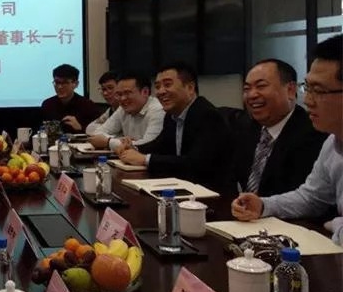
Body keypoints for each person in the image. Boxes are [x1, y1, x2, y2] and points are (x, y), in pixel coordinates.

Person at [232, 35, 343, 245]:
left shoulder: (312, 135)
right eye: (307, 88)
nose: (308, 101)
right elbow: (311, 198)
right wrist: (263, 205)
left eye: (318, 90)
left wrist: (337, 225)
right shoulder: (332, 143)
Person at [117, 63, 233, 193]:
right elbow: (159, 145)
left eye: (167, 85)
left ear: (190, 88)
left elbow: (195, 164)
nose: (160, 92)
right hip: (182, 188)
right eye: (157, 87)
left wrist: (145, 159)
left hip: (211, 195)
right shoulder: (171, 115)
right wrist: (134, 148)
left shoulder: (207, 115)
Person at [233, 59, 326, 196]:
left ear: (290, 90)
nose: (252, 95)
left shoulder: (314, 133)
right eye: (247, 89)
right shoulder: (245, 127)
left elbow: (305, 199)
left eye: (261, 86)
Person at [86, 71, 164, 151]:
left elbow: (147, 146)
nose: (122, 98)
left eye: (127, 93)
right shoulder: (123, 109)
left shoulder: (158, 111)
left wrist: (109, 142)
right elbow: (97, 133)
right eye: (119, 94)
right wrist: (119, 139)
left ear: (145, 92)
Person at [41, 64, 104, 133]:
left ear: (76, 84)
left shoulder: (88, 106)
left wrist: (80, 128)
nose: (59, 87)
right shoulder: (48, 105)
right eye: (57, 82)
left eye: (65, 82)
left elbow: (99, 132)